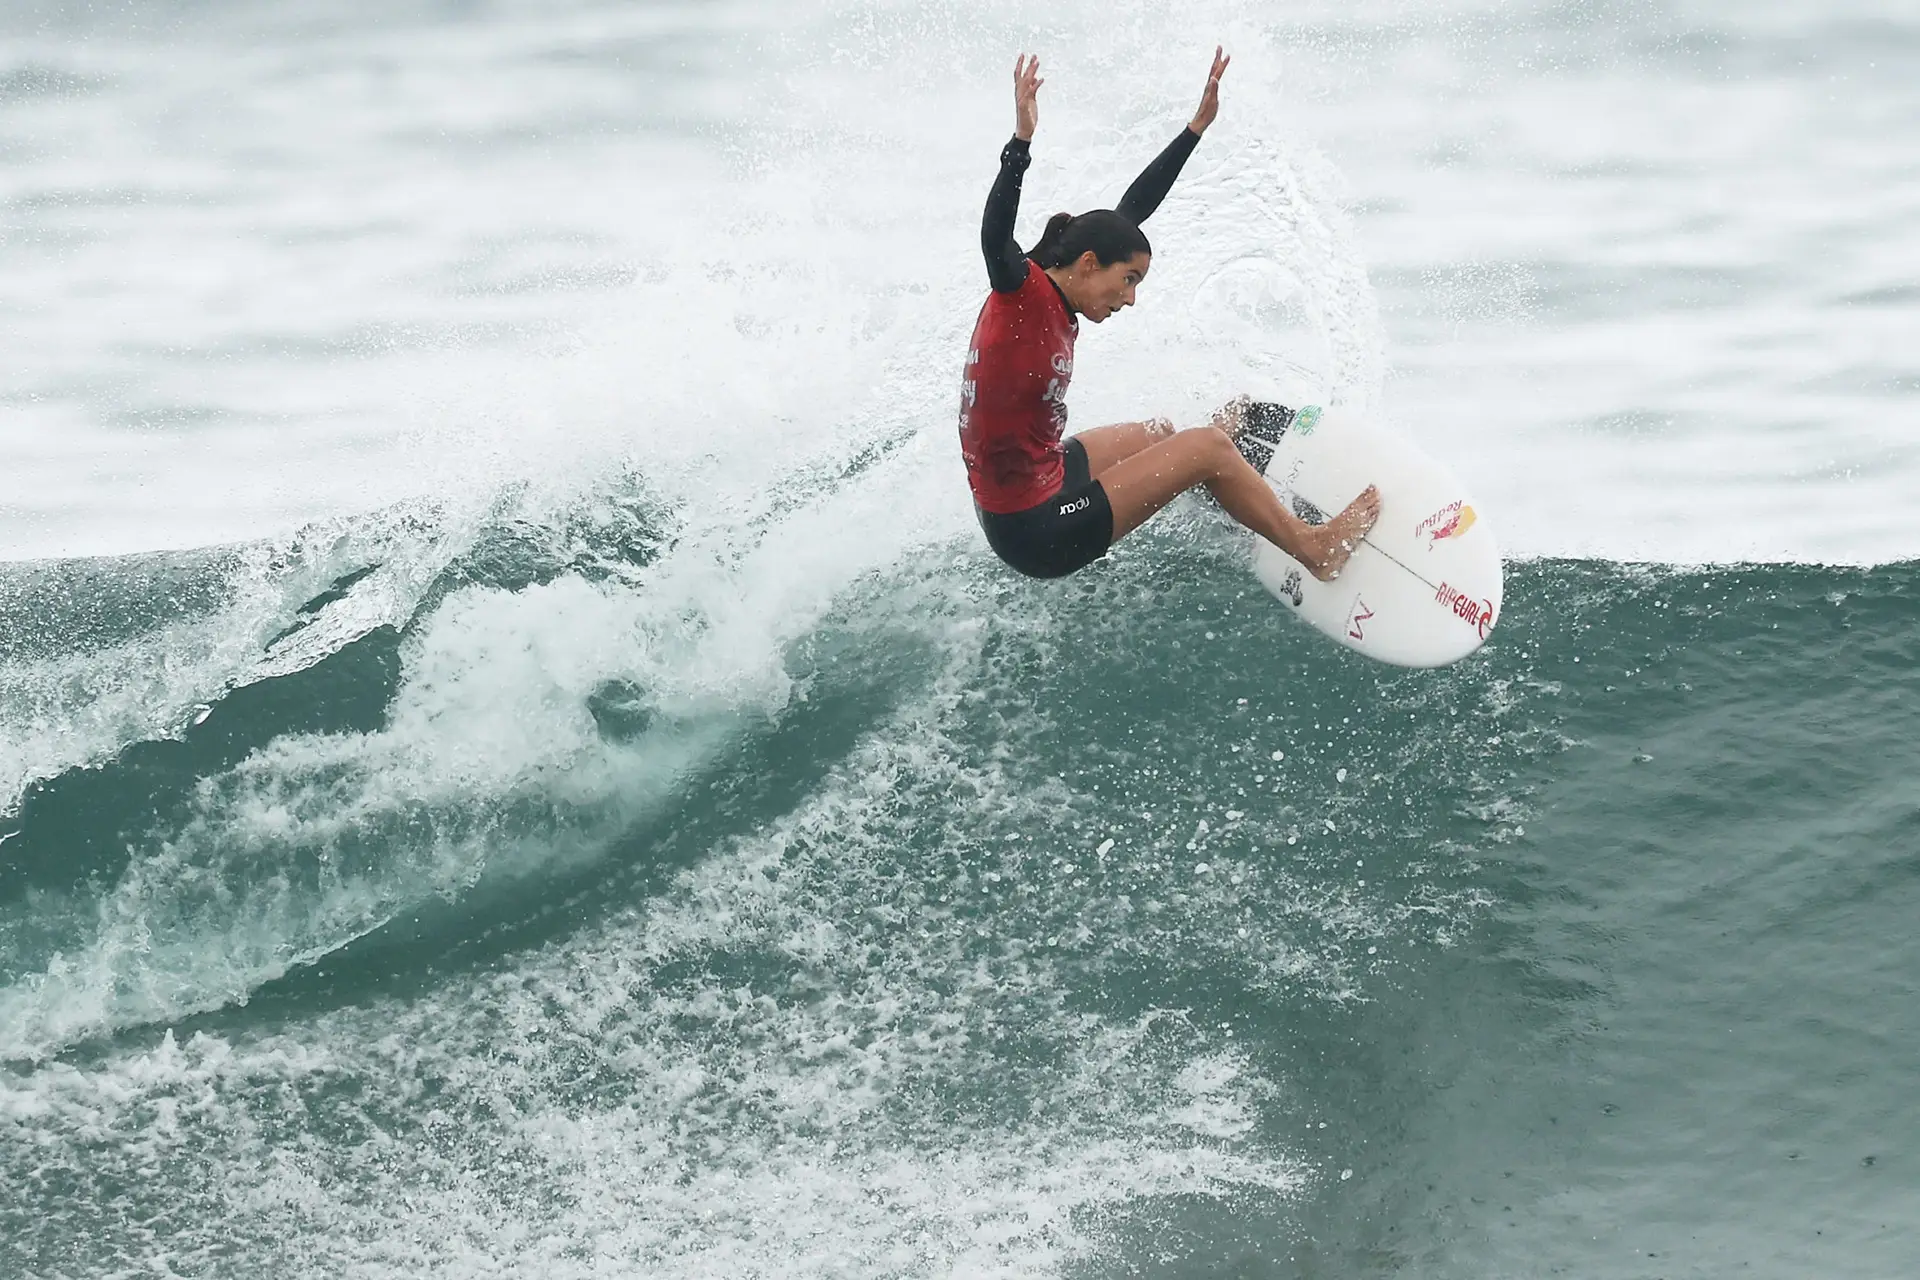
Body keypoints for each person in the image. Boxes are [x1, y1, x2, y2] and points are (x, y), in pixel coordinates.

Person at [959, 48, 1381, 581]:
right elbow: (993, 235)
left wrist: (1194, 129)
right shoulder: (1020, 291)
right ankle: (1312, 548)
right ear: (1089, 265)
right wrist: (1020, 144)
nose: (1130, 298)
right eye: (1128, 280)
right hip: (1036, 529)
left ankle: (1223, 481)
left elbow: (1131, 211)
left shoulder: (1058, 282)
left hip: (1044, 478)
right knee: (1205, 445)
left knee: (1163, 433)